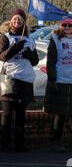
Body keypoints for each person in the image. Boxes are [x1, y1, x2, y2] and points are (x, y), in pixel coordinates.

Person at [45, 18, 72, 153]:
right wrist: (52, 79)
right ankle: (56, 142)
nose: (67, 27)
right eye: (65, 25)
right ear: (61, 26)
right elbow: (50, 61)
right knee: (60, 114)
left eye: (70, 25)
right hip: (61, 80)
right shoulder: (55, 39)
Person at [0, 9, 39, 152]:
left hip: (26, 80)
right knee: (7, 114)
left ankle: (19, 144)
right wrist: (16, 46)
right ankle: (4, 144)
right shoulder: (5, 37)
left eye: (20, 20)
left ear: (24, 23)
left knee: (21, 115)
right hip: (10, 79)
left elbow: (35, 61)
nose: (17, 22)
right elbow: (3, 56)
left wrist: (29, 54)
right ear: (11, 21)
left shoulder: (30, 39)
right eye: (15, 19)